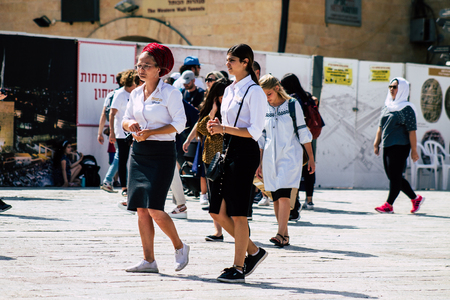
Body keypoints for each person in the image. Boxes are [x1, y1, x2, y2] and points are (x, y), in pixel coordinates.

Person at [122, 43, 189, 273]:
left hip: (161, 154)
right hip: (138, 153)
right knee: (141, 209)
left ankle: (180, 247)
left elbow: (180, 124)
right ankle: (149, 261)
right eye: (138, 65)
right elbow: (125, 119)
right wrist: (130, 124)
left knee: (155, 209)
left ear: (160, 69)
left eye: (146, 65)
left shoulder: (171, 93)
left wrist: (151, 132)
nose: (140, 69)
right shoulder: (135, 93)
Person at [207, 44, 267, 283]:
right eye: (227, 59)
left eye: (231, 60)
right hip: (227, 148)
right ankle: (253, 251)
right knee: (216, 211)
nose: (227, 64)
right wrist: (218, 127)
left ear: (245, 62)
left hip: (245, 152)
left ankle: (239, 267)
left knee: (238, 213)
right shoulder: (230, 88)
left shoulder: (255, 91)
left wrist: (223, 128)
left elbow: (255, 130)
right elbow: (231, 122)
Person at [258, 74, 315, 247]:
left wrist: (311, 158)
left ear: (277, 88)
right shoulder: (264, 108)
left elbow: (303, 131)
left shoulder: (292, 104)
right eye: (263, 95)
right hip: (269, 159)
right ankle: (284, 235)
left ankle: (279, 233)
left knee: (284, 196)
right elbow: (262, 137)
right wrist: (259, 164)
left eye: (268, 94)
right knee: (276, 197)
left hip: (290, 156)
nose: (266, 98)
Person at [183, 78, 233, 241]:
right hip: (210, 157)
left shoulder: (230, 111)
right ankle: (218, 231)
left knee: (224, 196)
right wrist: (189, 139)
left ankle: (234, 228)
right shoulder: (212, 109)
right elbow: (201, 126)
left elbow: (206, 128)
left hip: (225, 158)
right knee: (213, 195)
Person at [374, 78, 424, 214]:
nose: (391, 89)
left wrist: (414, 150)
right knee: (393, 177)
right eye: (390, 86)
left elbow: (412, 131)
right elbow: (380, 126)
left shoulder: (407, 109)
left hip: (401, 145)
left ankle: (389, 205)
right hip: (387, 145)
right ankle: (415, 198)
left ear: (402, 89)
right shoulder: (387, 106)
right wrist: (376, 143)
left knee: (395, 176)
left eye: (395, 87)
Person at [281, 73, 319, 213]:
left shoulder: (292, 99)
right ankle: (309, 200)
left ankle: (294, 203)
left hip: (296, 139)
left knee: (295, 173)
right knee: (309, 169)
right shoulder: (307, 96)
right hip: (307, 138)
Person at [109, 69, 138, 200]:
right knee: (123, 159)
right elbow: (112, 113)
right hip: (121, 133)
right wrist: (111, 132)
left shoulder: (136, 93)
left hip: (135, 132)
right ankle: (124, 188)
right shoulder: (120, 94)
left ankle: (134, 186)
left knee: (135, 160)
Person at [97, 71, 124, 193]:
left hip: (116, 130)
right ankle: (109, 180)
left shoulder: (111, 94)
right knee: (121, 155)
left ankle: (111, 181)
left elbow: (104, 114)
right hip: (123, 130)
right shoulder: (125, 94)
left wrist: (100, 132)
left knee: (121, 155)